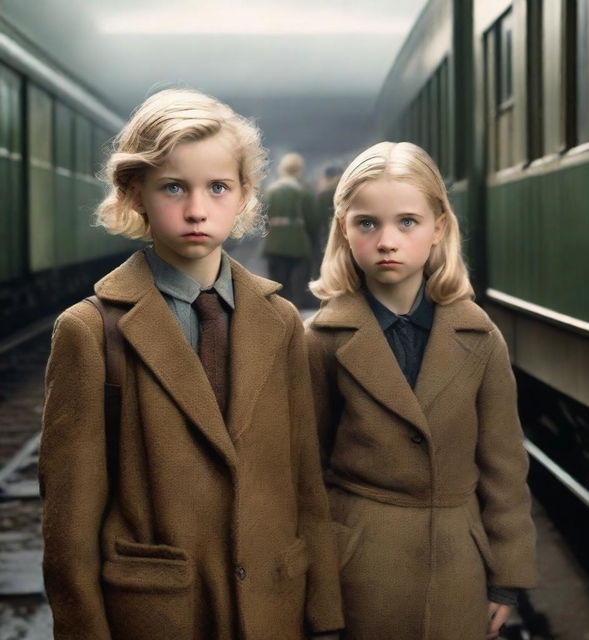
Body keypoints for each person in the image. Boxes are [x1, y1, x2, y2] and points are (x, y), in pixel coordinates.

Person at [39, 89, 343, 640]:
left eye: (218, 187)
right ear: (135, 193)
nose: (198, 209)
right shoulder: (90, 331)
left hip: (274, 608)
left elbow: (306, 482)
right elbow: (69, 524)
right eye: (174, 187)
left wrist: (323, 617)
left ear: (246, 194)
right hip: (157, 613)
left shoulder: (279, 323)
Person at [305, 141, 536, 640]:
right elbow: (305, 472)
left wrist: (507, 580)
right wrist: (320, 595)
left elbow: (504, 464)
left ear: (439, 230)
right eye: (367, 223)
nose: (387, 240)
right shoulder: (321, 341)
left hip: (459, 564)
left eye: (407, 222)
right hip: (361, 567)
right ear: (343, 230)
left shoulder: (480, 337)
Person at [263, 152, 315, 308]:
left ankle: (278, 312)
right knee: (298, 283)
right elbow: (312, 221)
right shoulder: (303, 192)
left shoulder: (271, 191)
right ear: (299, 170)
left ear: (282, 169)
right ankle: (295, 314)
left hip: (274, 243)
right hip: (298, 244)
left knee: (278, 282)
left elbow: (263, 217)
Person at [310, 165, 342, 278]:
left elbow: (317, 219)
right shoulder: (347, 192)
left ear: (327, 178)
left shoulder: (324, 195)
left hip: (327, 236)